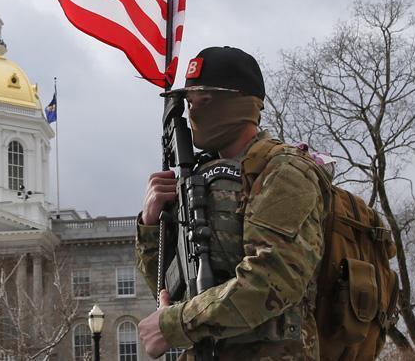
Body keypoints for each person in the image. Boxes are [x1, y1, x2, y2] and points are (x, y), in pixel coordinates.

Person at [136, 47, 326, 360]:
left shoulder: (285, 171)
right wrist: (151, 224)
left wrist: (174, 324)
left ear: (241, 102)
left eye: (204, 100)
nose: (194, 112)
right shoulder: (199, 181)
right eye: (190, 103)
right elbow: (172, 290)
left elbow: (271, 282)